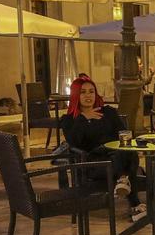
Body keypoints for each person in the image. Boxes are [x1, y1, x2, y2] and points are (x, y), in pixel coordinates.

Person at [59, 76, 145, 220]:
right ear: (76, 95)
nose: (88, 95)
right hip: (93, 163)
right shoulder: (69, 120)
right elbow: (73, 142)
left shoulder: (108, 112)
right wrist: (84, 117)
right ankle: (133, 201)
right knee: (123, 157)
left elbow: (124, 133)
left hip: (116, 157)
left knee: (128, 151)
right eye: (83, 92)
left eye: (91, 91)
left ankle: (123, 180)